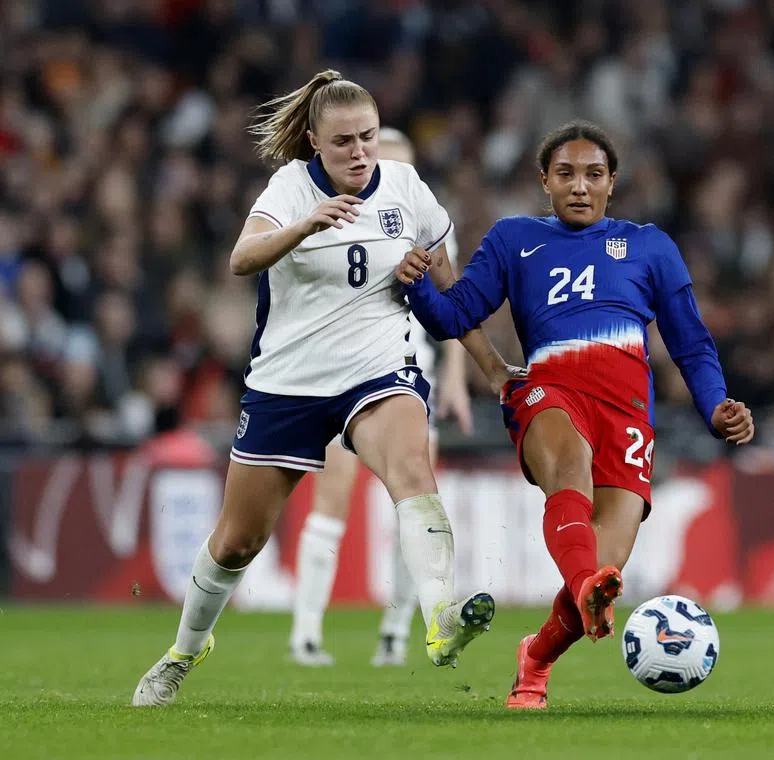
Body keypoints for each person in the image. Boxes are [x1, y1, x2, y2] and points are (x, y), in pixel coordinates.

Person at [132, 70, 511, 707]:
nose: (360, 152)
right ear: (314, 142)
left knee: (413, 470)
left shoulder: (407, 190)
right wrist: (304, 226)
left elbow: (451, 292)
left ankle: (440, 620)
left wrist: (493, 368)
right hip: (289, 382)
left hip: (378, 369)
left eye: (367, 137)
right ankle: (184, 651)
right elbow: (240, 259)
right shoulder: (287, 189)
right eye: (343, 143)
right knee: (237, 541)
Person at [396, 120, 755, 709]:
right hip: (547, 392)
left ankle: (535, 658)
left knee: (601, 576)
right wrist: (415, 287)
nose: (580, 186)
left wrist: (716, 405)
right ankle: (584, 583)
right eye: (566, 174)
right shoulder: (515, 239)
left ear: (612, 183)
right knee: (570, 468)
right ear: (545, 181)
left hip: (628, 415)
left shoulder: (651, 246)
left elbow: (691, 342)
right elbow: (454, 314)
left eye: (593, 175)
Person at [287, 127, 474, 668]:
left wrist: (457, 380)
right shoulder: (337, 219)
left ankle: (395, 632)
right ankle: (305, 632)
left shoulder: (429, 226)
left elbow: (454, 305)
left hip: (412, 381)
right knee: (332, 504)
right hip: (345, 379)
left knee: (411, 506)